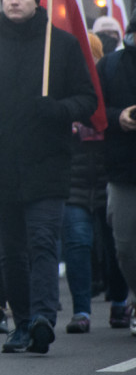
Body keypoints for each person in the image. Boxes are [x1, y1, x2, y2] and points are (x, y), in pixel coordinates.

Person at [0, 0, 97, 355]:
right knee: (10, 252)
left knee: (41, 242)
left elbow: (88, 100)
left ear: (37, 0)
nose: (15, 1)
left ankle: (42, 318)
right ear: (1, 2)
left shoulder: (63, 45)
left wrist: (58, 109)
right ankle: (20, 322)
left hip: (47, 164)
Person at [62, 33, 107, 334]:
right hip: (74, 179)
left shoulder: (111, 82)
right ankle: (81, 310)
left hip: (109, 176)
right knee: (77, 243)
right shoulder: (64, 86)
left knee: (117, 246)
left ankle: (120, 301)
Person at [98, 10, 136, 333]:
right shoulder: (110, 66)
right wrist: (118, 117)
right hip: (124, 170)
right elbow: (93, 108)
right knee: (125, 246)